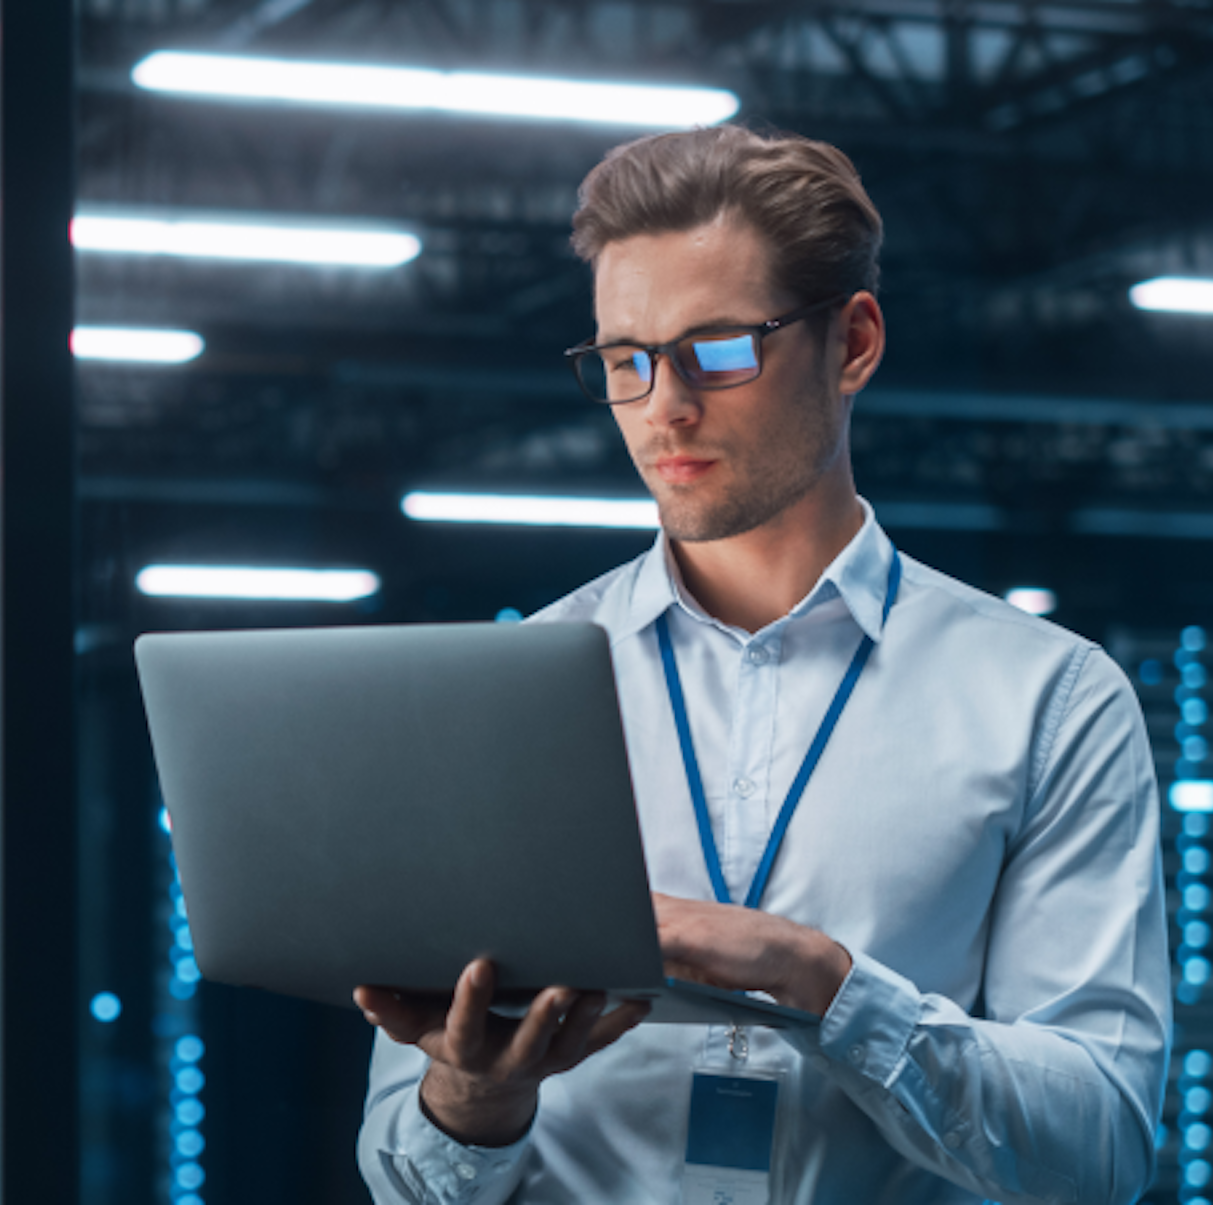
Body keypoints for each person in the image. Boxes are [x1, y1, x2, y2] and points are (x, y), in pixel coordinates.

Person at [348, 124, 1170, 1204]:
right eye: (623, 358)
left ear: (855, 343)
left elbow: (1101, 1147)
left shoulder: (1049, 701)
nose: (663, 405)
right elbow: (406, 1177)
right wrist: (474, 1104)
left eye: (719, 349)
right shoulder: (500, 700)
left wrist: (818, 981)